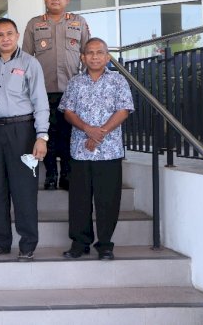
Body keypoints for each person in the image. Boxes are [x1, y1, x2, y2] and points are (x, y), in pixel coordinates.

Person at [0, 18, 50, 262]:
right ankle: (1, 240)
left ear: (16, 36)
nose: (4, 38)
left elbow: (41, 102)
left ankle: (27, 244)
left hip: (23, 132)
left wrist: (42, 137)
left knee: (24, 190)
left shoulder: (30, 63)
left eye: (9, 34)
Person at [59, 38, 134, 261]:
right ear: (82, 57)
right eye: (89, 53)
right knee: (79, 200)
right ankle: (79, 243)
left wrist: (100, 132)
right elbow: (68, 111)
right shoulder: (75, 83)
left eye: (99, 52)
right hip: (80, 150)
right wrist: (87, 129)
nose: (94, 56)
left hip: (109, 150)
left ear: (107, 57)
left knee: (108, 199)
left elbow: (124, 110)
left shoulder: (118, 81)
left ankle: (105, 245)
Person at [22, 0, 90, 190]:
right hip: (43, 90)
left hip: (72, 89)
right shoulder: (34, 24)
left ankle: (67, 175)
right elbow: (25, 58)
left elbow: (87, 54)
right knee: (46, 134)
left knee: (69, 134)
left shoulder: (78, 23)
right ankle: (50, 174)